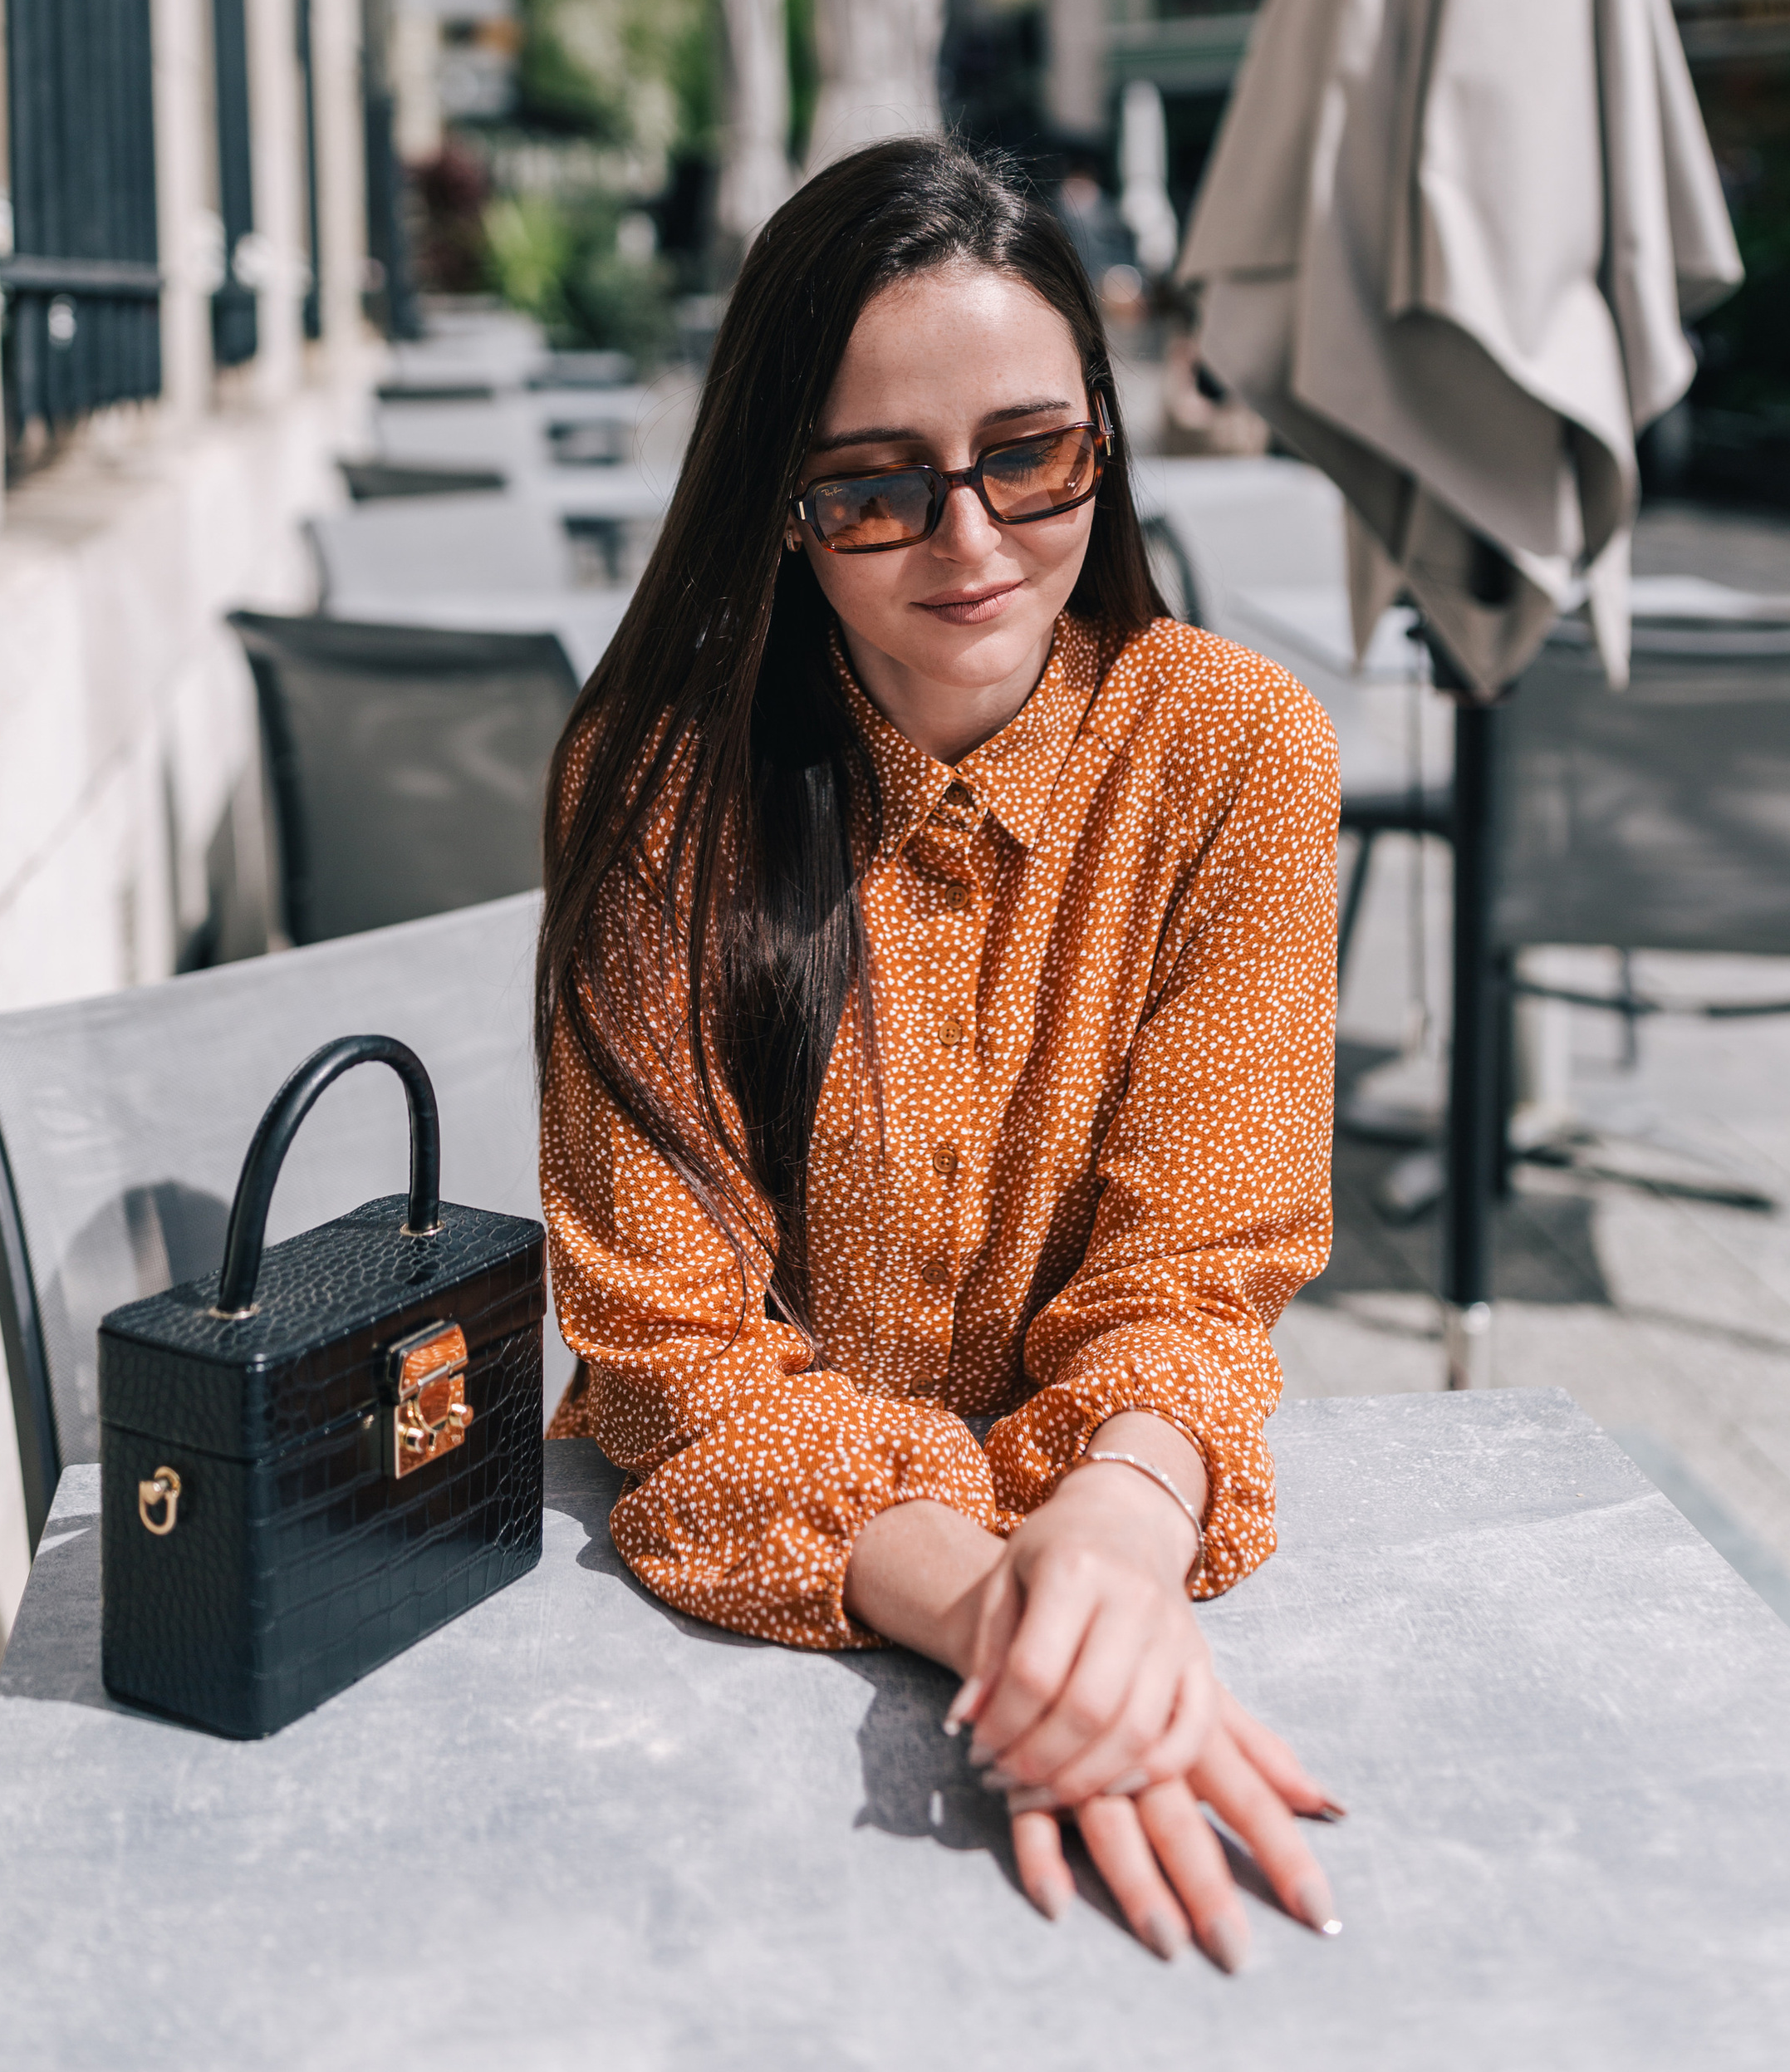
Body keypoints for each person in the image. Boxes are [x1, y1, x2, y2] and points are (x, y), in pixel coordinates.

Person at [537, 140, 1343, 1971]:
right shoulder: (656, 790)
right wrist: (1012, 1628)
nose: (971, 545)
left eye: (1029, 456)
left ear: (1104, 441)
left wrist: (1117, 1555)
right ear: (777, 502)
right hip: (692, 1675)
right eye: (873, 490)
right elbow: (667, 1353)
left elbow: (1191, 1279)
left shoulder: (1234, 754)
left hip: (1081, 1554)